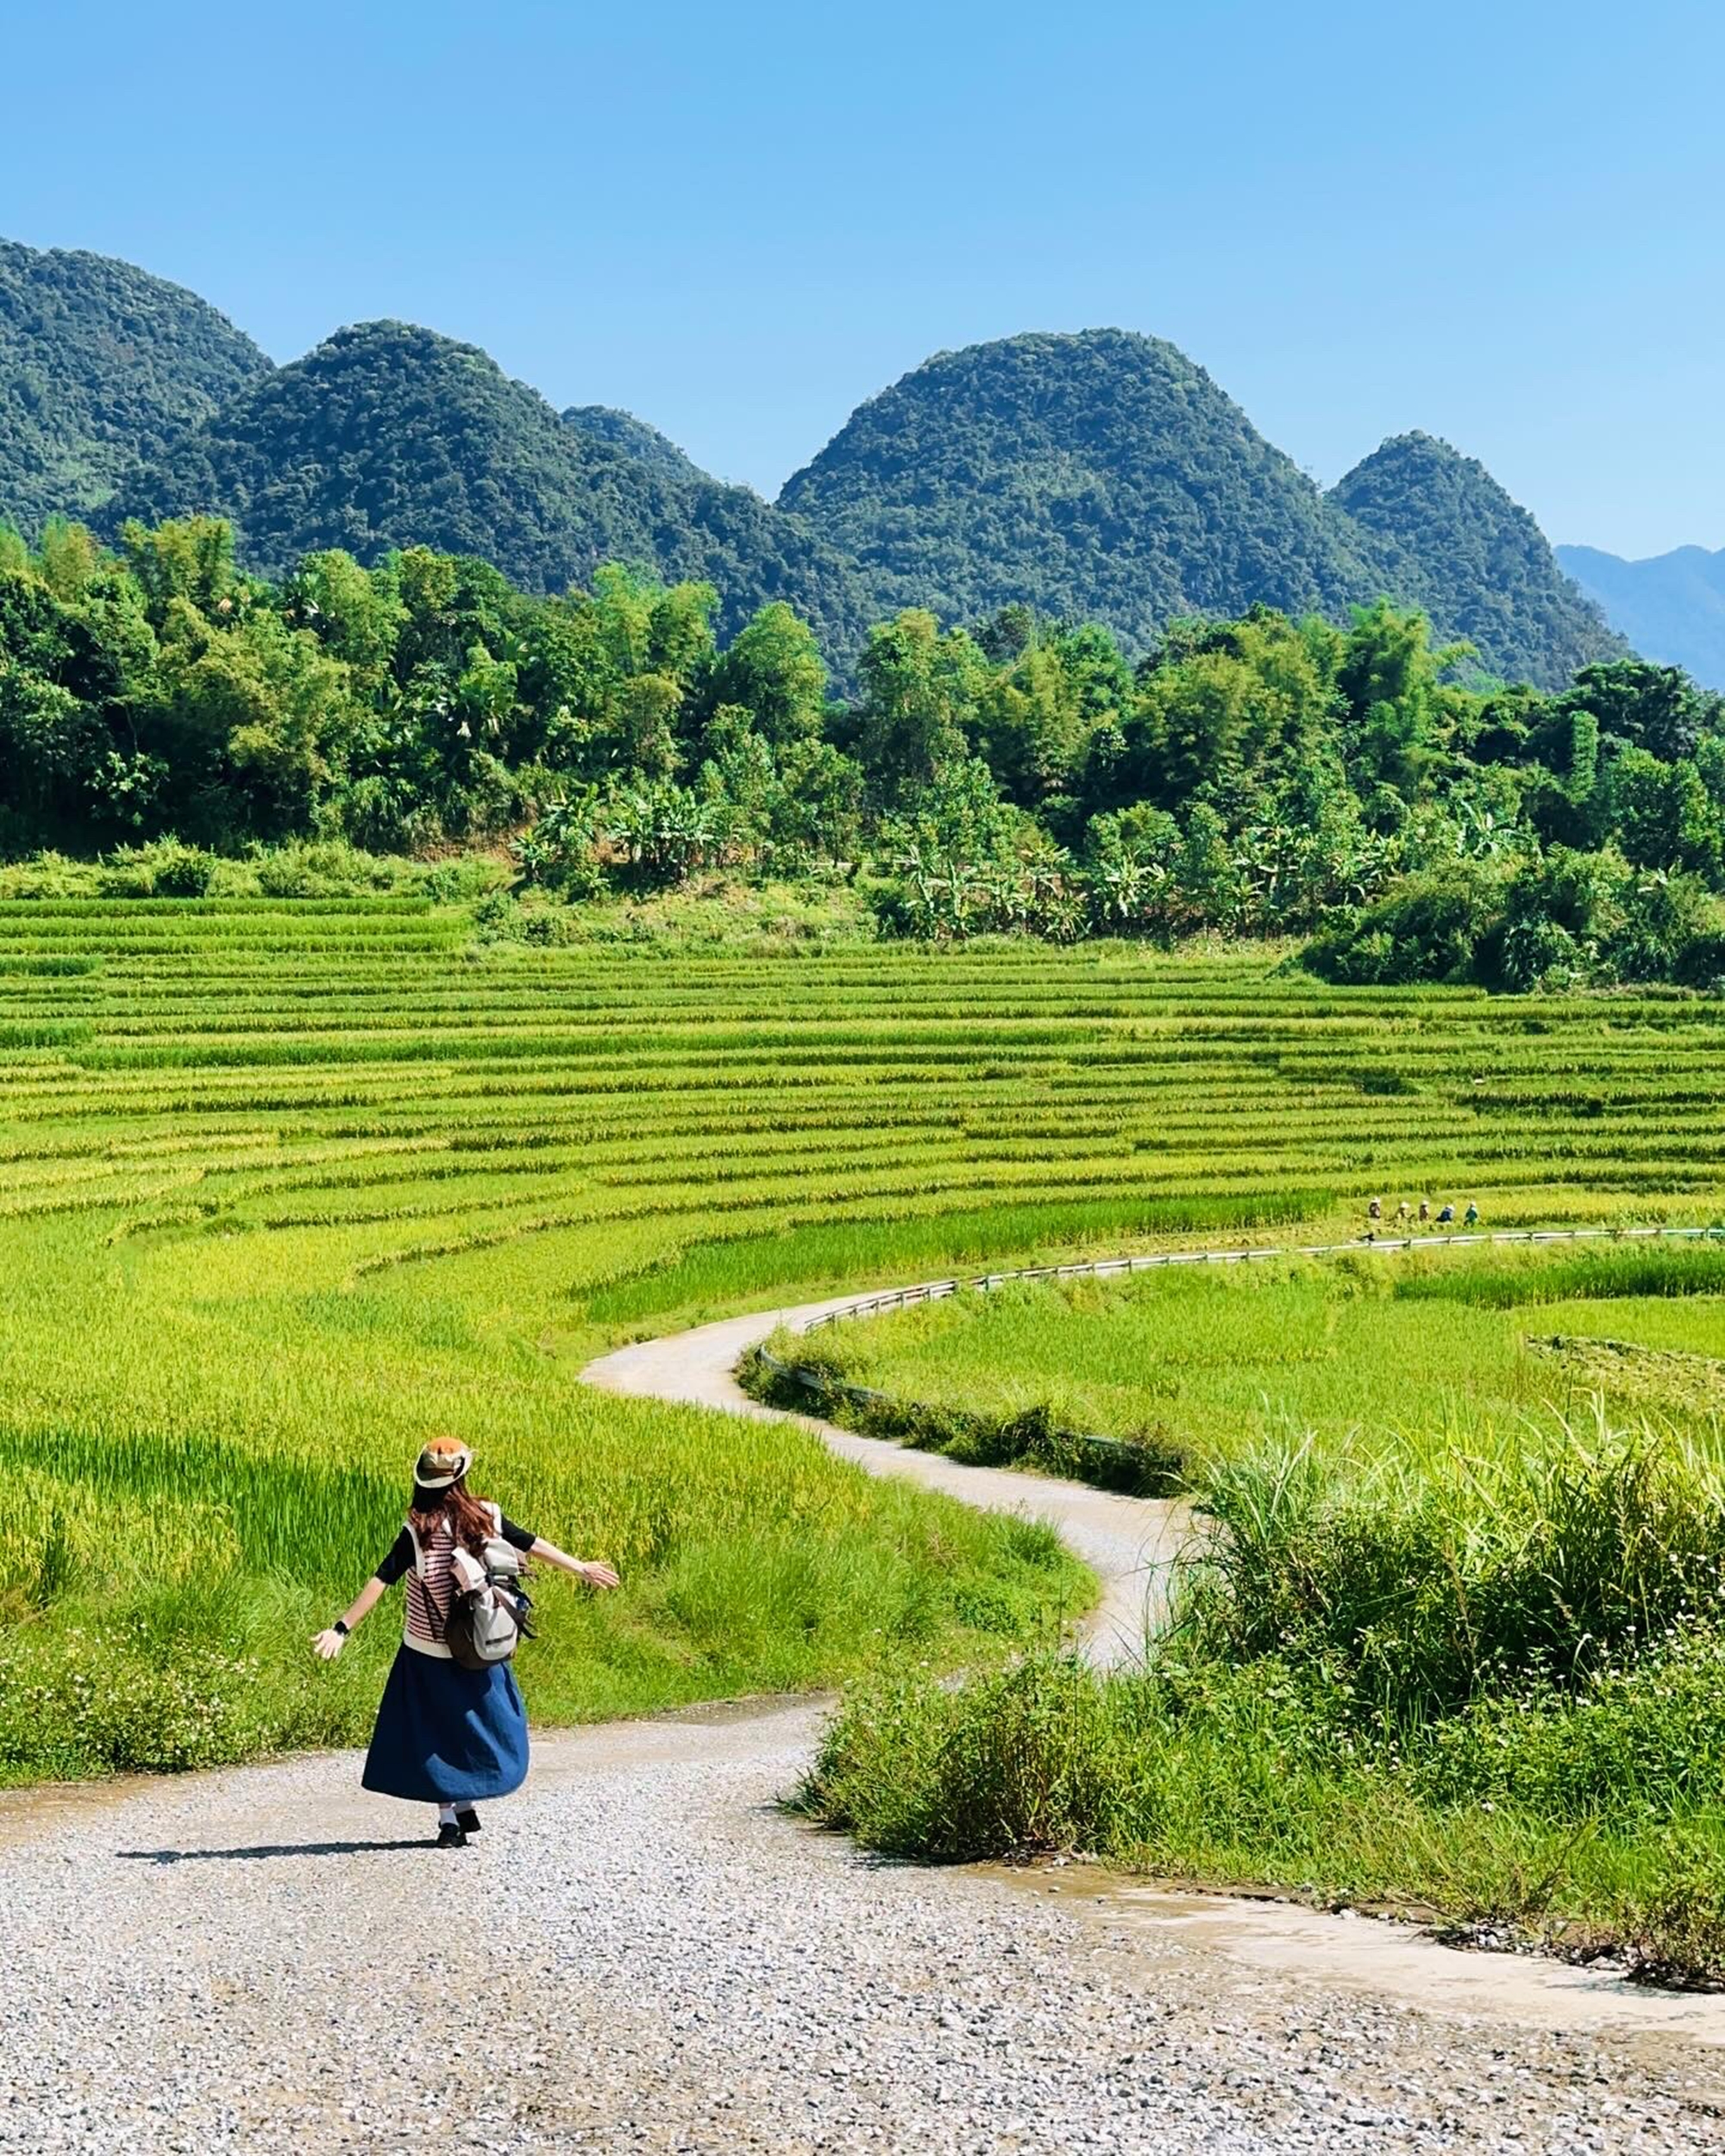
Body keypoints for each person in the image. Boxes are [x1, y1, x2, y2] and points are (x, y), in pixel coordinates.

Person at [312, 1438, 620, 1846]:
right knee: (481, 1726)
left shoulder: (417, 1529)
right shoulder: (486, 1515)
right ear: (461, 1478)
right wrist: (580, 1567)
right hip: (482, 1643)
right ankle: (465, 1802)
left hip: (427, 1649)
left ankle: (449, 1820)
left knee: (431, 1734)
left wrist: (342, 1628)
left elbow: (382, 1578)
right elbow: (528, 1542)